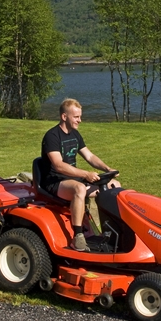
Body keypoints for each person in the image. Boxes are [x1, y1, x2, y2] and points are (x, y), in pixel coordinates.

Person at [39, 98, 120, 252]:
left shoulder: (75, 135)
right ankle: (78, 237)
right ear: (64, 117)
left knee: (114, 186)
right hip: (55, 182)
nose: (80, 120)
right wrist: (85, 174)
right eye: (76, 117)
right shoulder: (52, 136)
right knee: (80, 189)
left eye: (80, 117)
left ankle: (111, 230)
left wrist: (107, 169)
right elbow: (58, 165)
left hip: (73, 179)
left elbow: (89, 157)